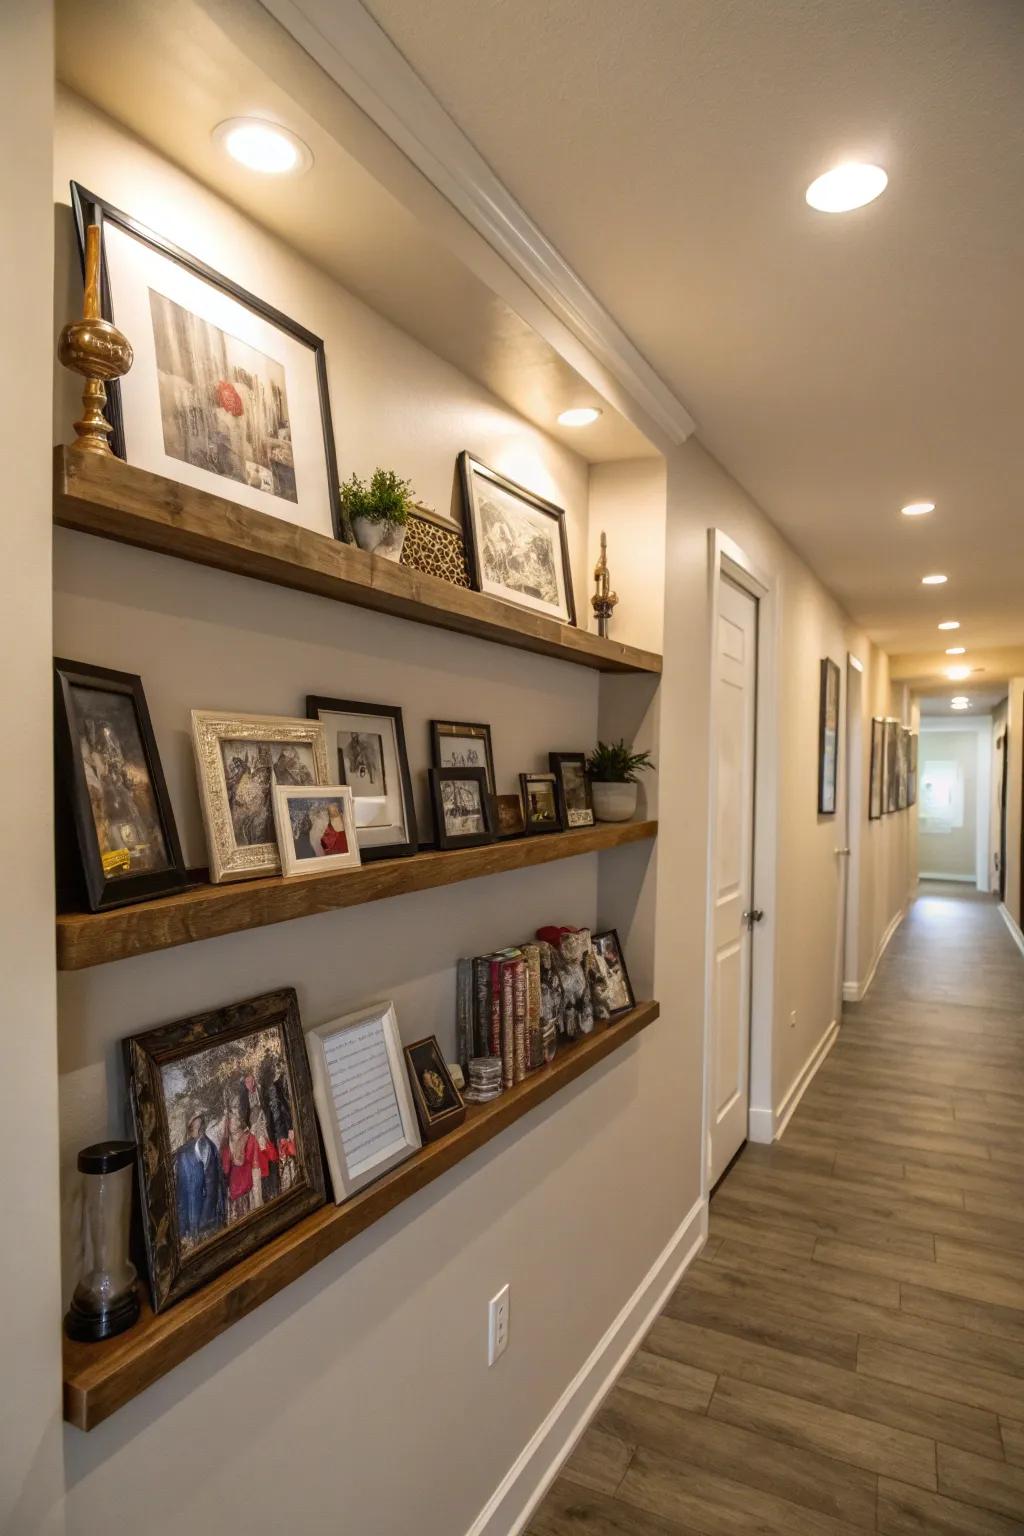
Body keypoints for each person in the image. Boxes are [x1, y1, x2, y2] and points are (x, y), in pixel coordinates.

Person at [173, 1112, 225, 1248]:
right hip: (189, 1210)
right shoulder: (182, 1152)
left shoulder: (208, 1146)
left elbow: (214, 1183)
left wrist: (207, 1219)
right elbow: (180, 1190)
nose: (197, 1127)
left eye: (199, 1124)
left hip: (206, 1211)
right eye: (194, 1125)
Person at [220, 1109, 258, 1225]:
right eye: (231, 1122)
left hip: (246, 1184)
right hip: (235, 1187)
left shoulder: (248, 1137)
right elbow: (225, 1168)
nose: (234, 1123)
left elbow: (249, 1159)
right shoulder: (226, 1143)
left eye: (235, 1120)